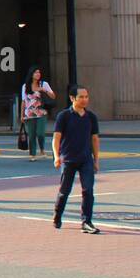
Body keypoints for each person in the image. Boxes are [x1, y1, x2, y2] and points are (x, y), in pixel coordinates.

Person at [52, 85, 101, 234]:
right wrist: (56, 156)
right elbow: (57, 137)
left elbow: (94, 139)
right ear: (72, 98)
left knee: (88, 190)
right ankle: (57, 215)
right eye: (81, 97)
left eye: (86, 97)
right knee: (64, 191)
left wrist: (96, 159)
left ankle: (86, 222)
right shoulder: (64, 116)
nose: (85, 100)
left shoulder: (91, 117)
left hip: (86, 159)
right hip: (68, 160)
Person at [20, 65, 55, 161]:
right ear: (31, 74)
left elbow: (53, 96)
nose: (38, 74)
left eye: (39, 72)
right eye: (36, 72)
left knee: (40, 133)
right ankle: (32, 154)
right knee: (31, 135)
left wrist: (44, 90)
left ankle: (42, 149)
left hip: (41, 112)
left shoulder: (44, 84)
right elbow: (23, 101)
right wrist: (21, 115)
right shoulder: (25, 86)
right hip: (29, 113)